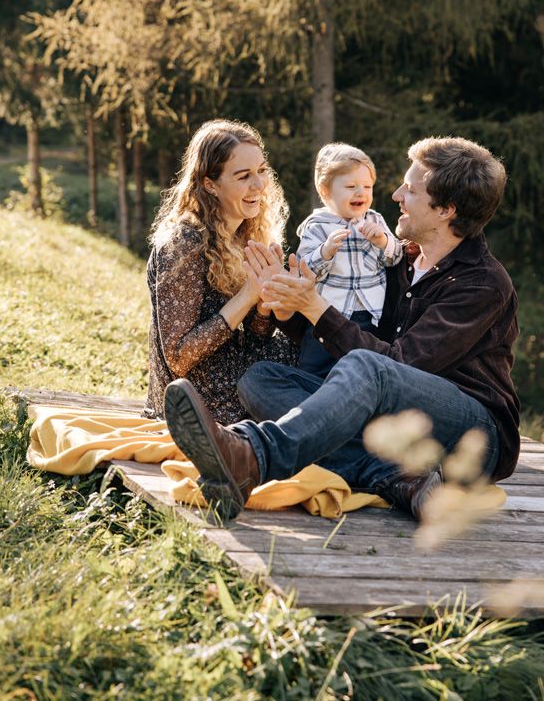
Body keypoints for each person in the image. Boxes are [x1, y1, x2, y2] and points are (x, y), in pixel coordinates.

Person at [163, 136, 520, 523]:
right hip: (398, 426)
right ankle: (395, 478)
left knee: (369, 367)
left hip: (471, 434)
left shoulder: (481, 283)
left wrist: (316, 307)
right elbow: (353, 339)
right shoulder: (402, 259)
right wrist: (289, 309)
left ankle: (252, 457)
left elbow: (400, 365)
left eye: (411, 190)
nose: (397, 194)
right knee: (261, 380)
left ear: (446, 210)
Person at [145, 119, 296, 424]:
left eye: (261, 171)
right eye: (243, 177)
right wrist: (247, 296)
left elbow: (257, 337)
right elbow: (178, 358)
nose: (259, 185)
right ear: (209, 184)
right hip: (197, 399)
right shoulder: (184, 242)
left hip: (237, 372)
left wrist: (265, 304)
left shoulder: (248, 232)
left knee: (317, 351)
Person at [296, 143, 402, 377]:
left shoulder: (375, 220)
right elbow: (305, 271)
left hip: (370, 316)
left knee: (361, 371)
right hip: (326, 316)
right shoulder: (317, 226)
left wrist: (384, 241)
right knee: (315, 371)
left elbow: (396, 258)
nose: (361, 193)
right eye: (351, 186)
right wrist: (325, 251)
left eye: (367, 186)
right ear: (325, 191)